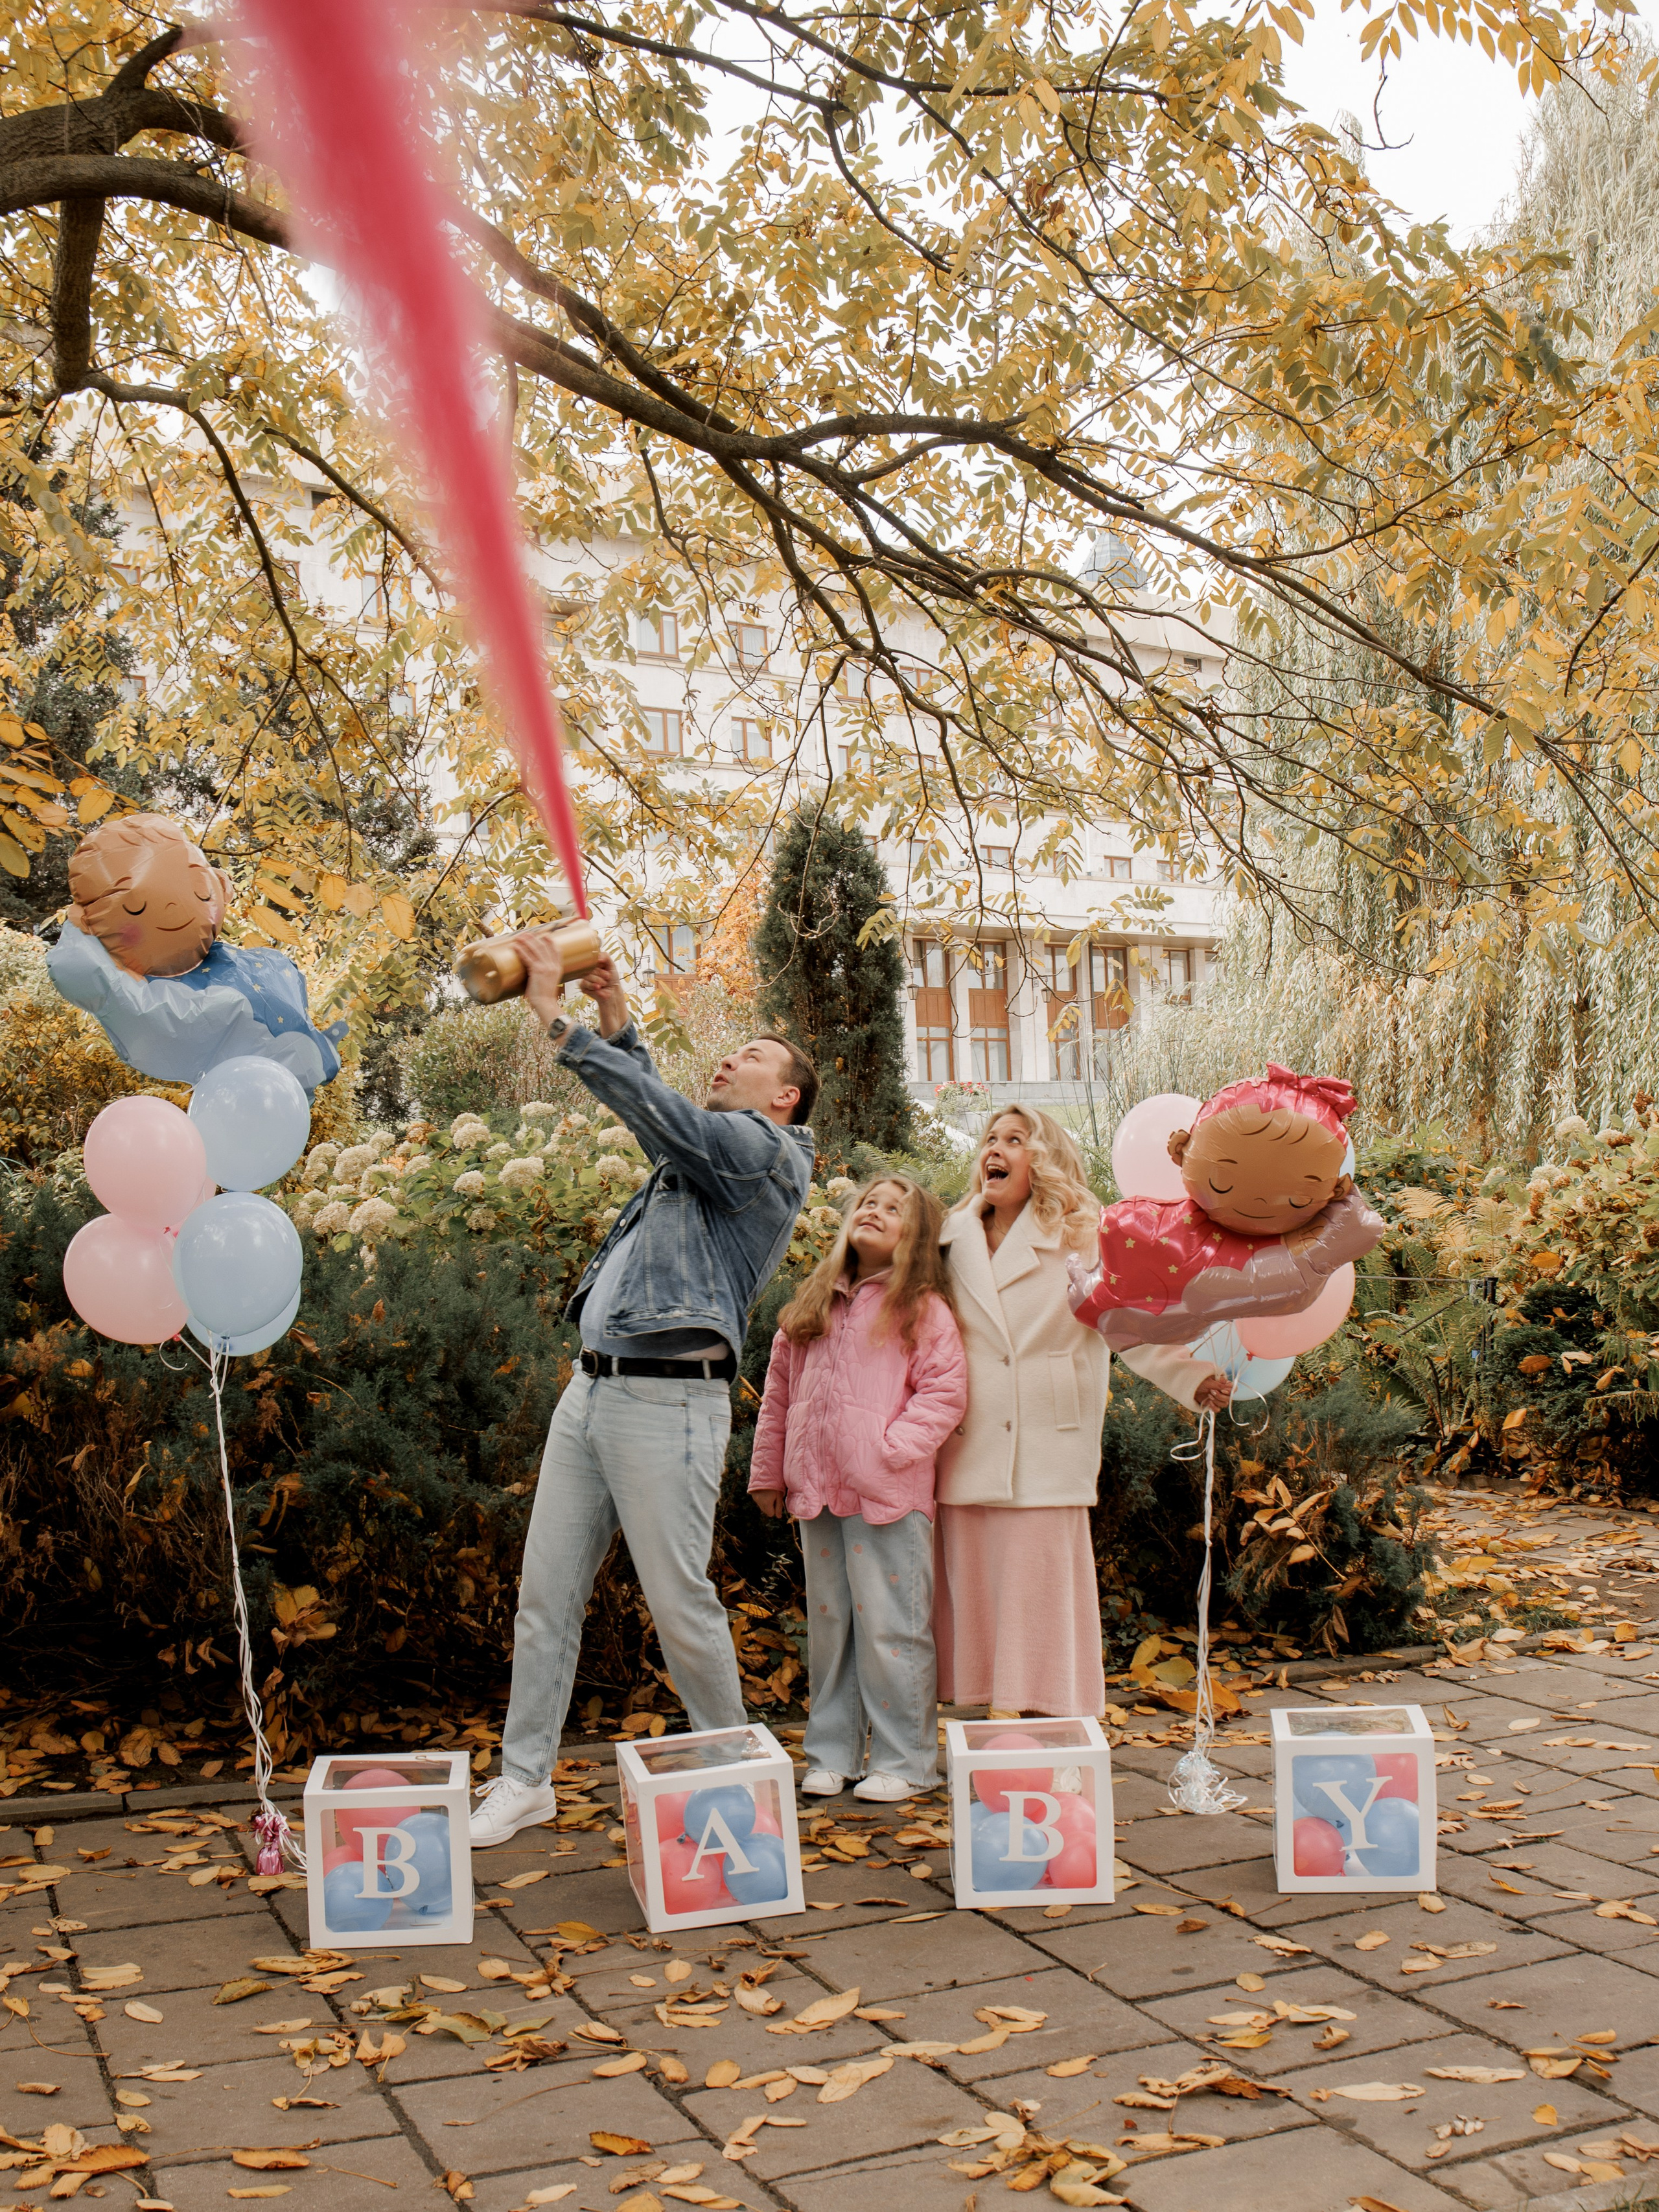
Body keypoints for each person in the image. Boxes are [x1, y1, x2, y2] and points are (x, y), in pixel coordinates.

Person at [471, 933, 820, 1846]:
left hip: (669, 1404)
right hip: (590, 1394)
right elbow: (664, 1110)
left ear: (783, 1097)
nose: (731, 1057)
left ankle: (737, 1785)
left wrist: (557, 1017)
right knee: (545, 1596)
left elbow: (662, 1115)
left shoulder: (768, 1155)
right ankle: (525, 1779)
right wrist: (617, 1015)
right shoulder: (715, 1152)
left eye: (752, 1056)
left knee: (678, 1604)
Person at [934, 1106, 1233, 1719]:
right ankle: (986, 1739)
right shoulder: (949, 1234)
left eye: (1015, 1139)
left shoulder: (1082, 1236)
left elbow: (1133, 1325)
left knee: (1041, 1597)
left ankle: (1061, 1729)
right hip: (966, 1437)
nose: (997, 1148)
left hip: (1046, 1437)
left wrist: (1193, 1377)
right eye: (991, 1138)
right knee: (976, 1597)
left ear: (1042, 1158)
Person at [748, 1174, 966, 1802]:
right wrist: (769, 1473)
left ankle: (906, 1758)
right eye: (867, 1202)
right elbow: (779, 1394)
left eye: (892, 1208)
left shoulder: (921, 1307)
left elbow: (945, 1391)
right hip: (816, 1492)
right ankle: (832, 1751)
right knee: (831, 1626)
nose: (872, 1210)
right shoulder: (815, 1303)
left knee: (891, 1628)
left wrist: (890, 1450)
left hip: (888, 1499)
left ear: (915, 1236)